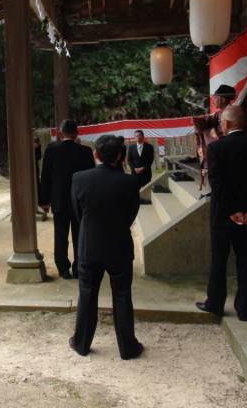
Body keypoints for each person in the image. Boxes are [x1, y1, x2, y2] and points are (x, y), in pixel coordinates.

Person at [69, 135, 143, 359]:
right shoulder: (130, 182)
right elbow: (132, 213)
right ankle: (127, 346)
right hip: (119, 243)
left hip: (89, 244)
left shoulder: (79, 178)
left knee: (87, 294)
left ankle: (81, 343)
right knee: (122, 295)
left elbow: (77, 212)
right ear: (120, 155)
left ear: (95, 154)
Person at [196, 106, 247, 321]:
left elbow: (217, 184)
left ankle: (215, 303)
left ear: (227, 124)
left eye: (222, 122)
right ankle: (245, 308)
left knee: (219, 260)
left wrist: (232, 211)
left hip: (223, 214)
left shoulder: (218, 148)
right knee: (245, 260)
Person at [39, 119, 95, 279]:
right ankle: (79, 268)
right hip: (80, 200)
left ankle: (63, 269)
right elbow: (91, 178)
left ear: (60, 134)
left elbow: (46, 178)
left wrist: (44, 200)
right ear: (77, 133)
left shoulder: (51, 152)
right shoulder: (85, 152)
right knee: (80, 235)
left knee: (60, 236)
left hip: (59, 200)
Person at [192, 85, 236, 187]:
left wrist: (205, 131)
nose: (213, 101)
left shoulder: (232, 113)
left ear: (223, 100)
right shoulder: (218, 114)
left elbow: (220, 132)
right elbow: (209, 126)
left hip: (228, 150)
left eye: (215, 98)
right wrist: (200, 125)